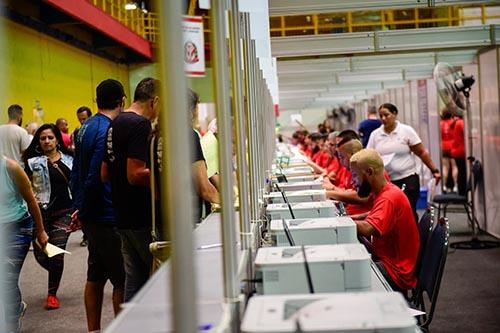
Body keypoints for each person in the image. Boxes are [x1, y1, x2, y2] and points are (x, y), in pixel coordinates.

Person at [71, 80, 125, 332]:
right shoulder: (107, 129)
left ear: (96, 101)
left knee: (96, 275)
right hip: (104, 212)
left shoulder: (85, 127)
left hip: (91, 213)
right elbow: (95, 174)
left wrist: (78, 206)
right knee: (121, 280)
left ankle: (94, 329)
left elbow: (76, 173)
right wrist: (83, 208)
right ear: (122, 101)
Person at [102, 77, 158, 302]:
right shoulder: (140, 125)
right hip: (140, 215)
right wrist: (166, 176)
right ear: (155, 101)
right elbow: (135, 174)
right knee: (158, 277)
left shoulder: (115, 123)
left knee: (133, 282)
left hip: (122, 214)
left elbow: (105, 173)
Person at [349, 148, 419, 292]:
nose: (353, 181)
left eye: (355, 175)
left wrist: (338, 224)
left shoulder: (388, 198)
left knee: (347, 276)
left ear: (369, 172)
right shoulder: (386, 190)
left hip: (394, 272)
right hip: (389, 261)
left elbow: (368, 228)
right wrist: (353, 218)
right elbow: (375, 213)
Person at [22, 124, 74, 310]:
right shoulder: (32, 162)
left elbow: (76, 184)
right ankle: (55, 269)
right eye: (42, 138)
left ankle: (52, 295)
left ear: (57, 140)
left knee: (56, 251)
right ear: (38, 141)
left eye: (50, 137)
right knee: (41, 255)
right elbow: (24, 187)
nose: (46, 141)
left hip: (65, 212)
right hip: (41, 214)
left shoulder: (70, 160)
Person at [367, 103, 441, 220]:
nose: (383, 119)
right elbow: (369, 157)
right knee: (389, 213)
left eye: (386, 115)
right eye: (381, 116)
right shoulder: (375, 135)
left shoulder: (406, 131)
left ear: (395, 114)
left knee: (408, 211)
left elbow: (421, 152)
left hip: (407, 177)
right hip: (385, 182)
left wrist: (434, 170)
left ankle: (413, 237)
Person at [0, 155, 48, 332]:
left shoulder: (10, 167)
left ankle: (12, 320)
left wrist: (41, 231)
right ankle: (16, 305)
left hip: (18, 227)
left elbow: (31, 200)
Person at [187, 88, 220, 223]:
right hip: (186, 218)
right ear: (191, 111)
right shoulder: (189, 135)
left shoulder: (157, 134)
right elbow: (204, 187)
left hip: (164, 217)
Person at [440, 108, 458, 193]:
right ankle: (455, 186)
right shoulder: (454, 123)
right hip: (453, 146)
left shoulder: (440, 124)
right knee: (454, 166)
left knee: (445, 167)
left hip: (443, 146)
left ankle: (444, 186)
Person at [450, 114, 466, 196]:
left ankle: (460, 190)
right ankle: (463, 192)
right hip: (461, 151)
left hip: (456, 150)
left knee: (460, 171)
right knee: (463, 172)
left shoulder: (456, 122)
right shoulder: (461, 123)